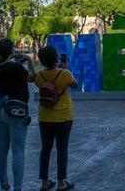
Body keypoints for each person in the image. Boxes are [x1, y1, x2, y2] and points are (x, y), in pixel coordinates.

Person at [0, 38, 36, 191]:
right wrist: (29, 61)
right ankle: (18, 187)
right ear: (11, 51)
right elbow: (31, 78)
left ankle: (4, 184)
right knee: (18, 149)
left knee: (1, 148)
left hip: (0, 108)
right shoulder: (16, 67)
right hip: (16, 110)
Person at [33, 45, 78, 191]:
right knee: (61, 149)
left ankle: (45, 182)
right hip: (64, 116)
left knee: (45, 148)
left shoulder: (39, 75)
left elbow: (36, 81)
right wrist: (66, 68)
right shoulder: (65, 74)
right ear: (57, 58)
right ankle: (61, 183)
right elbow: (75, 85)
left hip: (45, 116)